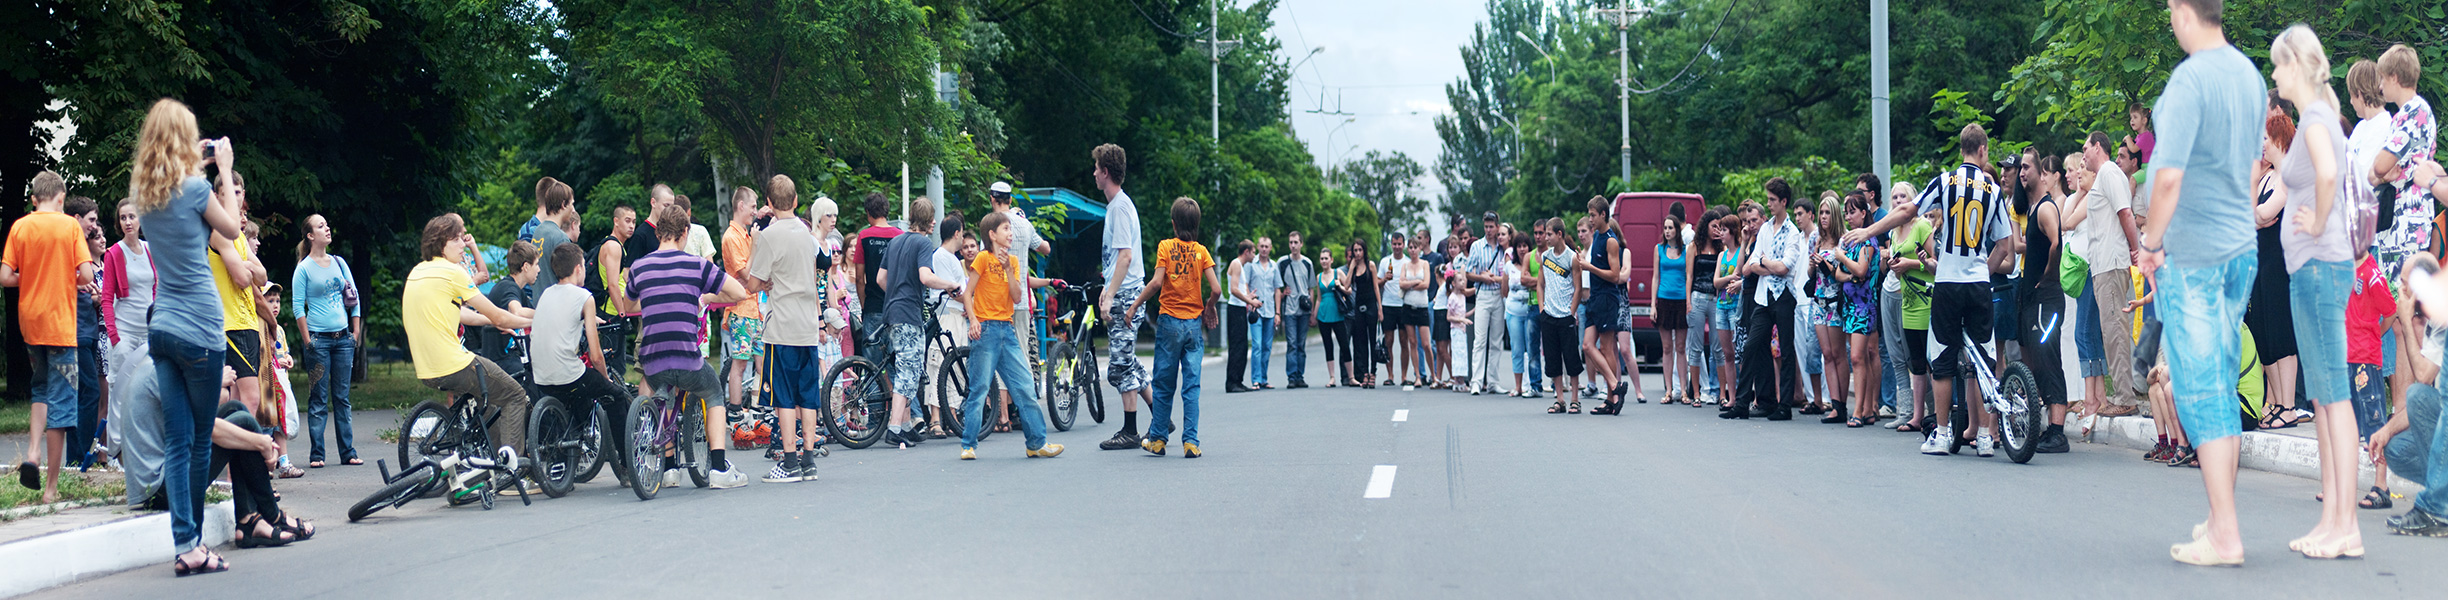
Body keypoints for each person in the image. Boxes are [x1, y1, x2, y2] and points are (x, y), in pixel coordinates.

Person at [2130, 0, 2268, 566]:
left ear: (2184, 10)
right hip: (2240, 248)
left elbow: (2167, 178)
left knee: (2201, 386)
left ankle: (2227, 535)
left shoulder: (2189, 82)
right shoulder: (2249, 76)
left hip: (2195, 255)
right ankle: (2219, 519)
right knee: (2219, 378)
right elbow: (2254, 166)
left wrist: (2151, 244)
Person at [129, 100, 248, 575]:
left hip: (161, 330)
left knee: (178, 442)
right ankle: (195, 544)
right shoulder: (199, 189)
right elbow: (234, 228)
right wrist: (226, 168)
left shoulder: (143, 194)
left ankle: (185, 546)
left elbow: (173, 194)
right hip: (200, 326)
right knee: (199, 442)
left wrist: (194, 164)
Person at [1847, 126, 2012, 456]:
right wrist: (1983, 270)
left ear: (1963, 150)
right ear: (1983, 150)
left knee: (1943, 359)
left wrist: (1868, 231)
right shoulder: (1992, 190)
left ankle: (1940, 432)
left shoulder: (1945, 182)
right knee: (1981, 359)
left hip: (1948, 283)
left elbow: (1908, 211)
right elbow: (2005, 245)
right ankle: (1982, 438)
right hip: (1978, 284)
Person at [624, 198, 752, 486]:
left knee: (665, 395)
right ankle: (719, 468)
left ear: (657, 232)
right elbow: (738, 293)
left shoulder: (640, 268)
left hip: (652, 362)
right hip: (686, 358)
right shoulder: (696, 265)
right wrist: (703, 296)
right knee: (714, 392)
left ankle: (669, 469)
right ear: (685, 232)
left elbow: (629, 305)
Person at [405, 215, 540, 485]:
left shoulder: (419, 271)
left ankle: (492, 462)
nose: (463, 245)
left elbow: (463, 315)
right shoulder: (453, 272)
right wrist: (534, 320)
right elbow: (501, 316)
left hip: (426, 367)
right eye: (457, 239)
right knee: (515, 394)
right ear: (442, 244)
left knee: (489, 399)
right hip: (453, 363)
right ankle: (512, 472)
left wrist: (496, 321)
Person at [5, 170, 96, 505]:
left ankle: (32, 453)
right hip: (60, 326)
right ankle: (51, 489)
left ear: (33, 199)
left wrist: (31, 277)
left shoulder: (20, 226)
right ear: (61, 198)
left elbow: (5, 276)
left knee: (40, 388)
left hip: (31, 324)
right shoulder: (69, 226)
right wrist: (64, 276)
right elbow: (86, 274)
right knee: (61, 402)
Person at [956, 210, 1065, 460]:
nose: (1011, 233)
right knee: (980, 387)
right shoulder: (982, 258)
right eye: (1006, 229)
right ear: (992, 234)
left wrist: (1007, 269)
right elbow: (967, 293)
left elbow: (1017, 297)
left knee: (1025, 386)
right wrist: (973, 320)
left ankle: (1036, 443)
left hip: (1007, 329)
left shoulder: (1013, 262)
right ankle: (968, 444)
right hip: (986, 330)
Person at [529, 241, 638, 485]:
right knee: (615, 396)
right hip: (569, 374)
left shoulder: (546, 293)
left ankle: (564, 457)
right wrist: (606, 377)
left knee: (580, 393)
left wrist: (589, 317)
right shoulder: (584, 296)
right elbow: (596, 355)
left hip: (541, 376)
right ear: (579, 268)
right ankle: (625, 467)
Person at [1125, 197, 1219, 457]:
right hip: (1193, 326)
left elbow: (1156, 283)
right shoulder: (1202, 252)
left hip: (1168, 324)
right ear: (1197, 224)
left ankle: (1157, 440)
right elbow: (1216, 289)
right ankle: (1191, 442)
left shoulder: (1165, 246)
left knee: (1164, 385)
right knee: (1191, 387)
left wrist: (1134, 307)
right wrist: (1209, 307)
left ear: (1174, 223)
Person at [2065, 131, 2144, 420]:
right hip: (2101, 265)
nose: (2083, 154)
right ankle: (2120, 394)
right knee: (2109, 332)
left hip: (2111, 263)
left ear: (2099, 146)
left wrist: (2135, 249)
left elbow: (2125, 213)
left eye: (2086, 148)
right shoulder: (2102, 178)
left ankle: (2125, 398)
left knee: (2114, 331)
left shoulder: (2110, 172)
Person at [876, 198, 955, 449]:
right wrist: (949, 284)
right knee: (908, 371)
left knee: (905, 367)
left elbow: (880, 279)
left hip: (890, 312)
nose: (934, 222)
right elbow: (925, 276)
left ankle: (908, 426)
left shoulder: (896, 240)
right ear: (929, 220)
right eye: (933, 218)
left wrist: (896, 293)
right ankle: (895, 427)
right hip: (908, 314)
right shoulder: (922, 243)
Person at [102, 199, 165, 509]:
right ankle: (115, 452)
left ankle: (141, 452)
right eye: (123, 217)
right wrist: (114, 338)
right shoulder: (114, 253)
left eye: (132, 216)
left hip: (148, 332)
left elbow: (157, 290)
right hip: (124, 335)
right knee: (119, 394)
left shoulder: (151, 249)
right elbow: (106, 299)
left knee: (145, 393)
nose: (128, 222)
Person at [1091, 144, 1154, 452]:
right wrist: (1107, 288)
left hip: (1126, 294)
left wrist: (1110, 295)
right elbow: (1118, 259)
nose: (1093, 173)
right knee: (1127, 360)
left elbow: (1126, 257)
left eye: (1096, 168)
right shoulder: (1117, 205)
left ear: (1105, 172)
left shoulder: (1119, 207)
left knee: (1119, 366)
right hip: (1123, 290)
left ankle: (1130, 431)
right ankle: (1161, 416)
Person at [287, 214, 361, 468]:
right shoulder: (304, 268)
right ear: (310, 236)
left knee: (342, 397)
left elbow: (354, 297)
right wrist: (308, 341)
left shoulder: (338, 262)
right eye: (321, 226)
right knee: (318, 399)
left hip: (343, 340)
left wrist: (355, 332)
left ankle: (348, 452)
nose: (327, 228)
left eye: (327, 224)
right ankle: (317, 455)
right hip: (319, 341)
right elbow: (298, 308)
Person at [210, 370, 314, 551]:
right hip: (167, 485)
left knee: (236, 408)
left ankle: (247, 519)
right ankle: (271, 515)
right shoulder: (165, 364)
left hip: (176, 467)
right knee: (244, 422)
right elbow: (206, 427)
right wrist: (262, 444)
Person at [2020, 155, 2072, 450]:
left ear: (2042, 173)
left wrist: (2048, 275)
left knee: (2049, 361)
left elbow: (2056, 242)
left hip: (2046, 299)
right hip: (2033, 299)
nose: (2022, 172)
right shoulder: (2031, 208)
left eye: (2027, 167)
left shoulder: (2046, 208)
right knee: (2037, 363)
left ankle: (2057, 431)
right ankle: (2048, 428)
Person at [1834, 194, 1886, 427]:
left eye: (1852, 212)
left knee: (1857, 357)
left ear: (1864, 213)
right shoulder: (1848, 240)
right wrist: (1849, 274)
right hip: (1849, 303)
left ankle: (1858, 410)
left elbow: (1862, 270)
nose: (1849, 217)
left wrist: (1842, 258)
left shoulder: (1868, 241)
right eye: (1846, 212)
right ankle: (1866, 409)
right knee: (1859, 356)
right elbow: (1838, 274)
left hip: (1864, 305)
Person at [67, 198, 107, 473]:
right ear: (77, 218)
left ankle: (77, 457)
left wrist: (94, 299)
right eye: (91, 220)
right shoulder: (69, 247)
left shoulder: (79, 247)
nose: (94, 226)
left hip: (88, 329)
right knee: (88, 393)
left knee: (82, 393)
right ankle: (80, 458)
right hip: (75, 331)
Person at [720, 187, 766, 411]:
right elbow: (746, 275)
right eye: (753, 206)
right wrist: (755, 244)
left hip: (754, 308)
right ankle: (736, 413)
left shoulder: (747, 234)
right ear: (741, 206)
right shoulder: (731, 236)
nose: (754, 211)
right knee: (739, 365)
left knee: (761, 362)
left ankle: (757, 409)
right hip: (740, 309)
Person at [1536, 218, 1584, 413]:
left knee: (1571, 358)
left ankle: (1575, 399)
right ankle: (1560, 399)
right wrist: (1542, 308)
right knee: (1553, 359)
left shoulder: (1572, 258)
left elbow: (1578, 287)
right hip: (1549, 315)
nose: (1546, 238)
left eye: (1549, 234)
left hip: (1566, 316)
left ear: (1559, 234)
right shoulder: (1545, 257)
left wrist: (1571, 312)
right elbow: (1540, 283)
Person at [1806, 195, 1845, 420]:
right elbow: (1810, 275)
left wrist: (1827, 265)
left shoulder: (1843, 241)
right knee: (1826, 354)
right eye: (1821, 213)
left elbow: (1843, 274)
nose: (1823, 217)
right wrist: (1812, 266)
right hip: (1818, 301)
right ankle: (1834, 403)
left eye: (1827, 213)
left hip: (1835, 301)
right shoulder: (1816, 240)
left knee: (1839, 354)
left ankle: (1841, 406)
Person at [588, 205, 638, 378]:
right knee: (616, 369)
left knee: (615, 366)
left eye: (634, 222)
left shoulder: (614, 245)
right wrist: (623, 315)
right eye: (627, 221)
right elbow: (612, 285)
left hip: (611, 309)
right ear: (616, 222)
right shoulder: (614, 247)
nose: (631, 226)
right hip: (611, 312)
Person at [849, 191, 904, 346]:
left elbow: (859, 278)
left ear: (868, 212)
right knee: (895, 362)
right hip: (896, 306)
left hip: (873, 305)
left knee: (872, 364)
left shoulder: (864, 236)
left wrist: (864, 305)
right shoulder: (900, 236)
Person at [1655, 210, 1691, 405]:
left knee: (1680, 347)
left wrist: (1688, 302)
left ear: (1677, 230)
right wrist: (1653, 304)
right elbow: (1655, 277)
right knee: (1667, 347)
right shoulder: (1658, 249)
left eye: (1671, 228)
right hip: (1664, 299)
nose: (1668, 231)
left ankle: (1683, 391)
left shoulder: (1686, 251)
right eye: (1665, 228)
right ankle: (1668, 390)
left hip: (1680, 300)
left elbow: (1688, 276)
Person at [1279, 231, 1317, 389]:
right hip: (1289, 310)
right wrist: (1282, 294)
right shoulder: (1282, 262)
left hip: (1304, 311)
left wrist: (1312, 311)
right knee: (1292, 344)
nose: (1293, 245)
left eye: (1296, 242)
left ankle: (1300, 376)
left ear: (1301, 244)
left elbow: (1311, 289)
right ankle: (1291, 377)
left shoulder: (1307, 263)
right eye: (1291, 242)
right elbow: (1276, 286)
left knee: (1301, 344)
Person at [1506, 230, 1541, 398]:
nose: (1522, 249)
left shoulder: (1533, 263)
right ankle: (1518, 385)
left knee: (1532, 348)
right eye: (1519, 246)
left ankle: (1531, 384)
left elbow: (1541, 282)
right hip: (1513, 311)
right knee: (1517, 349)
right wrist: (1530, 283)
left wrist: (1531, 282)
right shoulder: (1509, 266)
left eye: (1524, 245)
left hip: (1530, 309)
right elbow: (1504, 291)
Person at [1247, 236, 1281, 390]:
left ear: (1271, 248)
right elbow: (1245, 284)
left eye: (1267, 246)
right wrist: (1249, 300)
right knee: (1257, 345)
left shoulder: (1274, 266)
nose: (1264, 249)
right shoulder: (1251, 265)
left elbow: (1277, 290)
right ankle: (1255, 379)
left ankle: (1263, 379)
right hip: (1256, 311)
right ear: (1258, 247)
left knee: (1267, 346)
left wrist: (1278, 313)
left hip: (1270, 311)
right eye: (1261, 246)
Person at [1344, 241, 1380, 389]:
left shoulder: (1370, 265)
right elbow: (1346, 286)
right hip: (1358, 306)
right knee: (1361, 341)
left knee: (1372, 340)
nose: (1357, 253)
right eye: (1355, 251)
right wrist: (1351, 267)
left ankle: (1373, 372)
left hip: (1371, 304)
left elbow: (1376, 286)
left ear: (1364, 251)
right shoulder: (1353, 267)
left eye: (1360, 250)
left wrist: (1380, 307)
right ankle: (1364, 372)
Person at [1377, 231, 1410, 388]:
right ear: (1391, 244)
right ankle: (1390, 375)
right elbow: (1377, 284)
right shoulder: (1385, 262)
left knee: (1404, 341)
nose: (1397, 247)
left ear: (1403, 245)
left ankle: (1404, 375)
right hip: (1388, 304)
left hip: (1404, 305)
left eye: (1399, 244)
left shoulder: (1408, 262)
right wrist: (1385, 279)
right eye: (1394, 244)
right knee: (1388, 341)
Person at [1224, 240, 1254, 393]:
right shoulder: (1236, 263)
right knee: (1236, 345)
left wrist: (1249, 297)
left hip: (1241, 308)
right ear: (1247, 251)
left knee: (1242, 346)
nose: (1254, 255)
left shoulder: (1241, 267)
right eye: (1253, 252)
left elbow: (1240, 289)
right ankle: (1232, 382)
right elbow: (1234, 289)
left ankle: (1238, 380)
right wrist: (1248, 300)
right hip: (1235, 308)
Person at [1316, 248, 1348, 387]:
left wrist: (1340, 285)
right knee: (1328, 345)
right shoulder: (1318, 277)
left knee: (1344, 344)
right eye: (1322, 258)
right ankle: (1332, 377)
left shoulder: (1338, 273)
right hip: (1323, 313)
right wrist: (1314, 314)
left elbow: (1349, 289)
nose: (1324, 261)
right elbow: (1318, 298)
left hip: (1337, 312)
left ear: (1331, 260)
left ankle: (1351, 376)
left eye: (1326, 258)